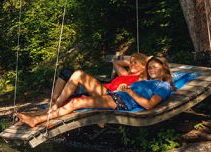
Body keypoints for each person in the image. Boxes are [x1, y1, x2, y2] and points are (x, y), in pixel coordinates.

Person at [17, 55, 175, 128]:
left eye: (155, 67)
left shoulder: (163, 86)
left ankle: (37, 120)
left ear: (164, 69)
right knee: (76, 102)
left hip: (121, 100)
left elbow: (149, 105)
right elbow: (119, 62)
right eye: (150, 67)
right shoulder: (147, 81)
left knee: (77, 102)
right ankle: (41, 119)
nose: (151, 69)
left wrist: (129, 91)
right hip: (117, 96)